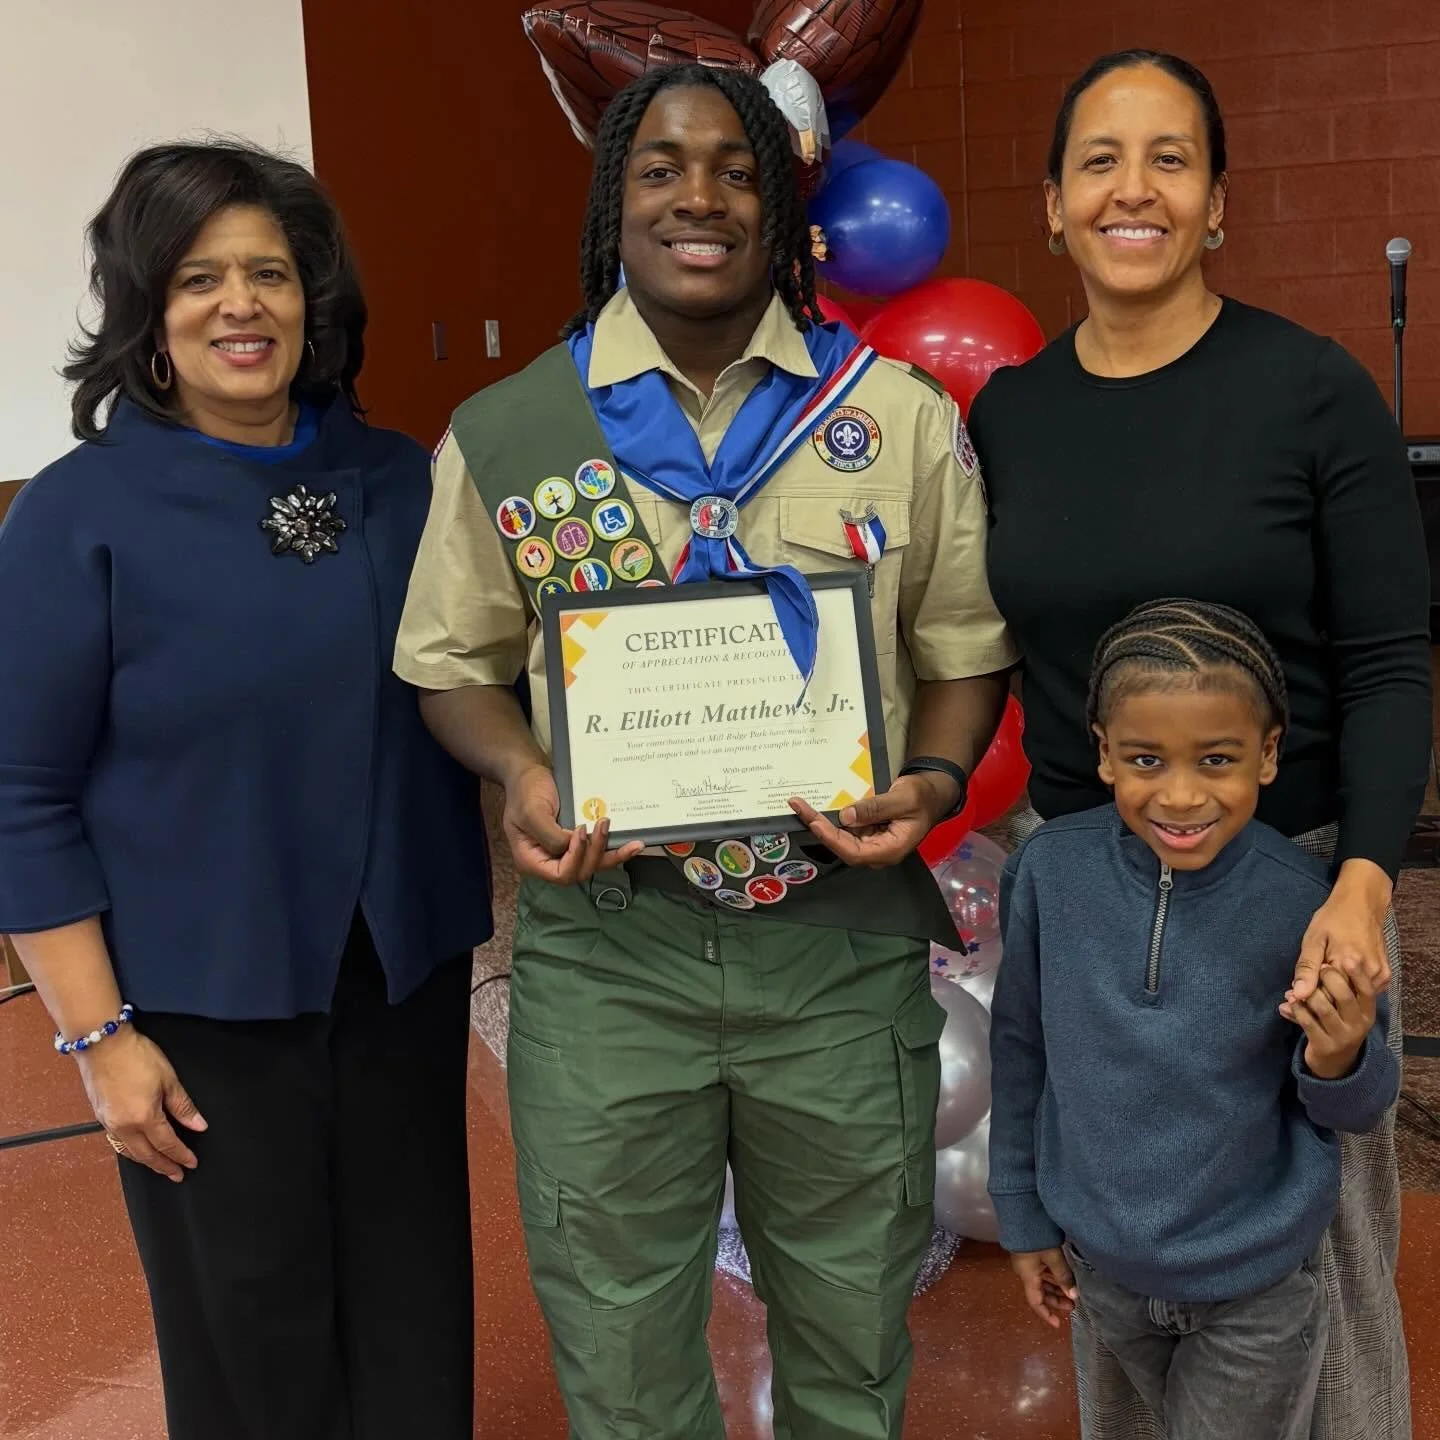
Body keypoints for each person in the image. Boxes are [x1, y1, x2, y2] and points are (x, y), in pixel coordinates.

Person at [394, 62, 1016, 1440]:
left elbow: (965, 651)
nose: (701, 195)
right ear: (617, 201)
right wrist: (521, 771)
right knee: (620, 1348)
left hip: (837, 947)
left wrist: (930, 780)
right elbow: (450, 665)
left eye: (738, 168)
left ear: (785, 205)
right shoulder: (513, 433)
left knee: (853, 1332)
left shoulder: (899, 419)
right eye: (663, 165)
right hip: (613, 951)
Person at [969, 49, 1431, 1440]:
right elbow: (990, 653)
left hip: (1285, 881)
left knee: (1315, 1266)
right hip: (1087, 880)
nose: (1135, 189)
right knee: (1124, 1242)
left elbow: (1389, 660)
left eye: (1171, 159)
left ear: (1219, 203)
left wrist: (1365, 876)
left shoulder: (1312, 391)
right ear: (1052, 204)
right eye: (1101, 159)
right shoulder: (1011, 416)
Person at [0, 143, 492, 1440]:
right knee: (252, 1353)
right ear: (146, 311)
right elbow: (20, 793)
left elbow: (480, 689)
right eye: (200, 277)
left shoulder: (400, 483)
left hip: (400, 983)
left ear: (314, 296)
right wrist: (99, 1043)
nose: (242, 305)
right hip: (195, 1007)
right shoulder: (76, 515)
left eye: (270, 272)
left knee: (413, 1323)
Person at [989, 598, 1401, 1440]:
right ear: (1104, 754)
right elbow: (1020, 1046)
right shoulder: (1047, 875)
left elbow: (1354, 1111)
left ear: (1269, 755)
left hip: (1257, 1290)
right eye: (1146, 759)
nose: (1180, 797)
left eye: (1217, 760)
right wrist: (1022, 1213)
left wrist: (1342, 1052)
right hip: (1102, 1271)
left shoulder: (1307, 904)